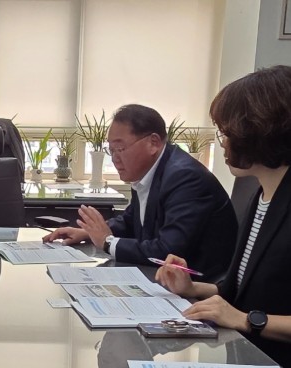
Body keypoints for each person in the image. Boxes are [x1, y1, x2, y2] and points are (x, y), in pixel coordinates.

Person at [156, 65, 291, 368]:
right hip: (250, 362)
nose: (224, 143)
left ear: (260, 132)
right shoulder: (261, 195)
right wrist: (191, 288)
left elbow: (245, 312)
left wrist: (246, 320)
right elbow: (243, 290)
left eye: (227, 133)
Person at [43, 104, 237, 280]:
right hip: (159, 280)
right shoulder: (149, 171)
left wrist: (108, 242)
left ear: (153, 142)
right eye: (111, 150)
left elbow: (168, 251)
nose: (114, 159)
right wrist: (88, 233)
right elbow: (130, 221)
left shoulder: (185, 177)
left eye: (120, 148)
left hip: (199, 290)